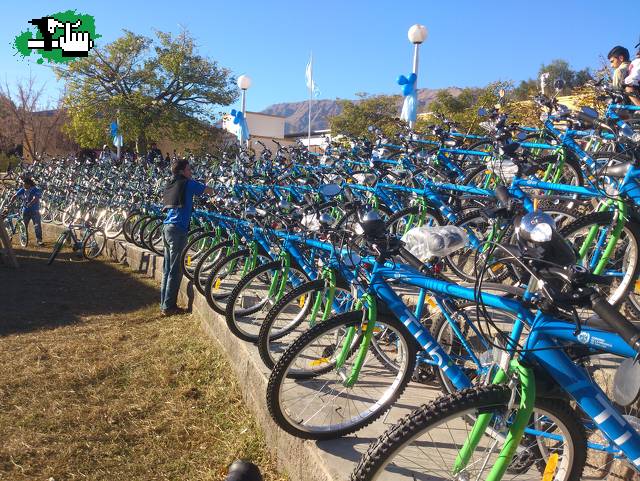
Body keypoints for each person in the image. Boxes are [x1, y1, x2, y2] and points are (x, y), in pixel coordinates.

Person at [160, 159, 213, 316]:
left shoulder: (170, 183)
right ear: (182, 171)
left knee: (167, 269)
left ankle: (164, 303)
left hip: (167, 228)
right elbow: (208, 191)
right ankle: (169, 307)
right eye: (189, 169)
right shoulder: (188, 184)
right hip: (178, 230)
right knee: (175, 271)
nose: (191, 172)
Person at [9, 176, 43, 246]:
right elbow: (15, 196)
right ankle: (24, 239)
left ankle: (39, 240)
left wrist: (30, 203)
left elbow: (35, 198)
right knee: (23, 226)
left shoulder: (36, 189)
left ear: (29, 184)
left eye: (24, 184)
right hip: (25, 211)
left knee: (37, 226)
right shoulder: (23, 189)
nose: (23, 185)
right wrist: (10, 203)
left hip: (35, 211)